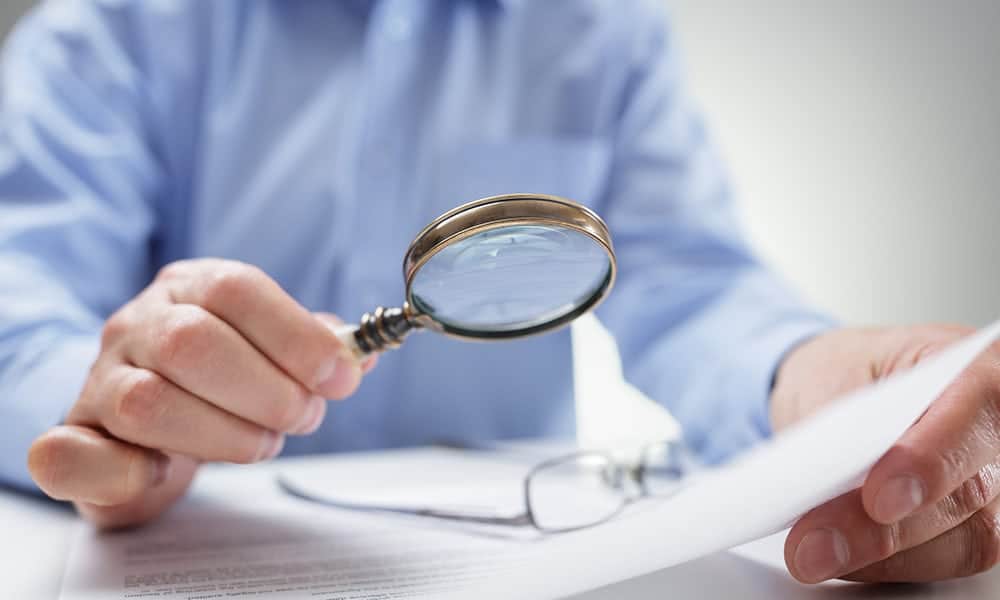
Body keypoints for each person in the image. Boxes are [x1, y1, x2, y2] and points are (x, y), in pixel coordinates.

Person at [0, 0, 996, 585]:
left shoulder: (597, 28)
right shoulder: (112, 30)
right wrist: (121, 409)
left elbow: (695, 288)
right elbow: (16, 311)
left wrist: (821, 382)